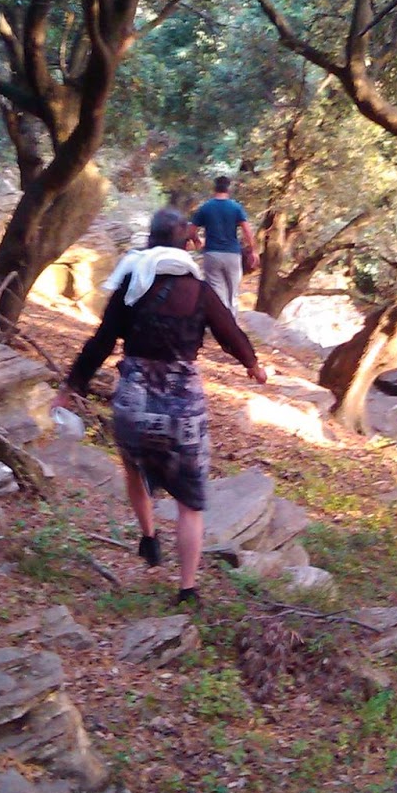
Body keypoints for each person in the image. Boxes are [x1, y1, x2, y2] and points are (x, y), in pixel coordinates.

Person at [53, 207, 267, 606]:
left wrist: (70, 387)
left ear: (150, 241)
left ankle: (149, 537)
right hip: (183, 409)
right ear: (186, 245)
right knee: (190, 502)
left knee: (135, 467)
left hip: (133, 403)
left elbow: (101, 341)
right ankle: (187, 588)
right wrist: (253, 365)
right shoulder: (198, 290)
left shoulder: (131, 284)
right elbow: (230, 332)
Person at [191, 174, 255, 316]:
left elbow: (191, 230)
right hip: (232, 254)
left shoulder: (206, 207)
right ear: (228, 189)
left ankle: (220, 321)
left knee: (217, 293)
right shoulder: (236, 207)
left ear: (214, 188)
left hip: (212, 254)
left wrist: (196, 241)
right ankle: (231, 322)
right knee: (233, 294)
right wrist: (252, 251)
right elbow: (247, 231)